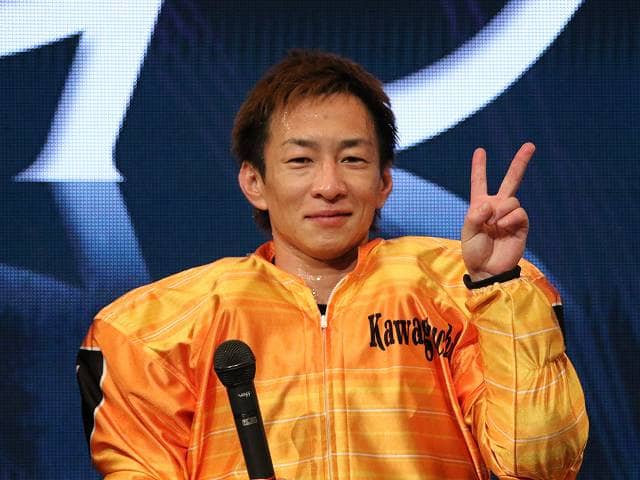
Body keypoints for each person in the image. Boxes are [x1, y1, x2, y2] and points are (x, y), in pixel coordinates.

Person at [77, 50, 588, 479]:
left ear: (383, 183)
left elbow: (538, 464)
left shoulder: (460, 292)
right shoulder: (157, 330)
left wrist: (497, 284)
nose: (329, 185)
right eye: (301, 160)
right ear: (254, 182)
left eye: (353, 159)